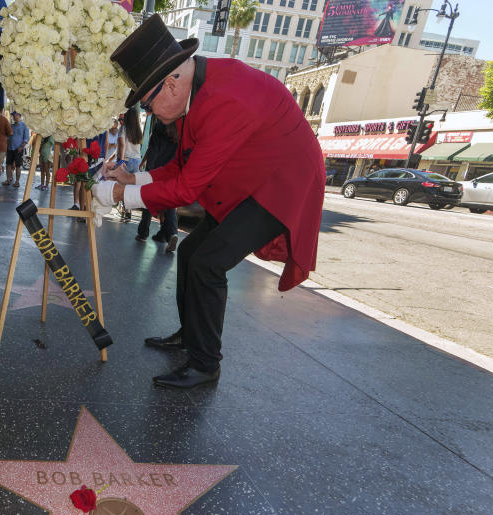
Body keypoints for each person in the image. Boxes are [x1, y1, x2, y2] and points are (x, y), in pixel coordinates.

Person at [92, 15, 324, 388]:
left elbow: (186, 189)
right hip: (249, 178)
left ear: (170, 83)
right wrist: (131, 178)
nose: (150, 115)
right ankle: (191, 334)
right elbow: (181, 168)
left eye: (148, 106)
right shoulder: (196, 94)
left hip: (280, 186)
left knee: (208, 263)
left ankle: (205, 364)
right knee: (190, 254)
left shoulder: (224, 99)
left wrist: (118, 195)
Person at [135, 116, 179, 252]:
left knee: (149, 199)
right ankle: (170, 233)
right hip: (172, 170)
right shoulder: (179, 128)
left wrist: (149, 170)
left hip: (157, 169)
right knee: (169, 202)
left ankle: (143, 233)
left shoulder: (160, 125)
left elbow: (153, 149)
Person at [6, 111, 30, 187]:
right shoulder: (11, 126)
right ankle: (8, 179)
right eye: (12, 115)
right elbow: (8, 137)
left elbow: (26, 139)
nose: (13, 117)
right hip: (10, 148)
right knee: (8, 165)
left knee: (18, 166)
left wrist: (21, 147)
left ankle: (17, 182)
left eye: (14, 115)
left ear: (18, 115)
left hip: (18, 149)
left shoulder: (24, 126)